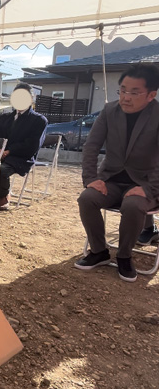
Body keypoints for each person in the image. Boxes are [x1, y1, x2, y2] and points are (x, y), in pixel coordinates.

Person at [74, 62, 159, 282]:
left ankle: (124, 256)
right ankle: (99, 251)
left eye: (134, 92)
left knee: (133, 205)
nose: (125, 97)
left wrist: (149, 188)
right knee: (87, 198)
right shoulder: (109, 110)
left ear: (151, 95)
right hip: (111, 179)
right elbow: (91, 146)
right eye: (122, 90)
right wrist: (91, 179)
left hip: (146, 183)